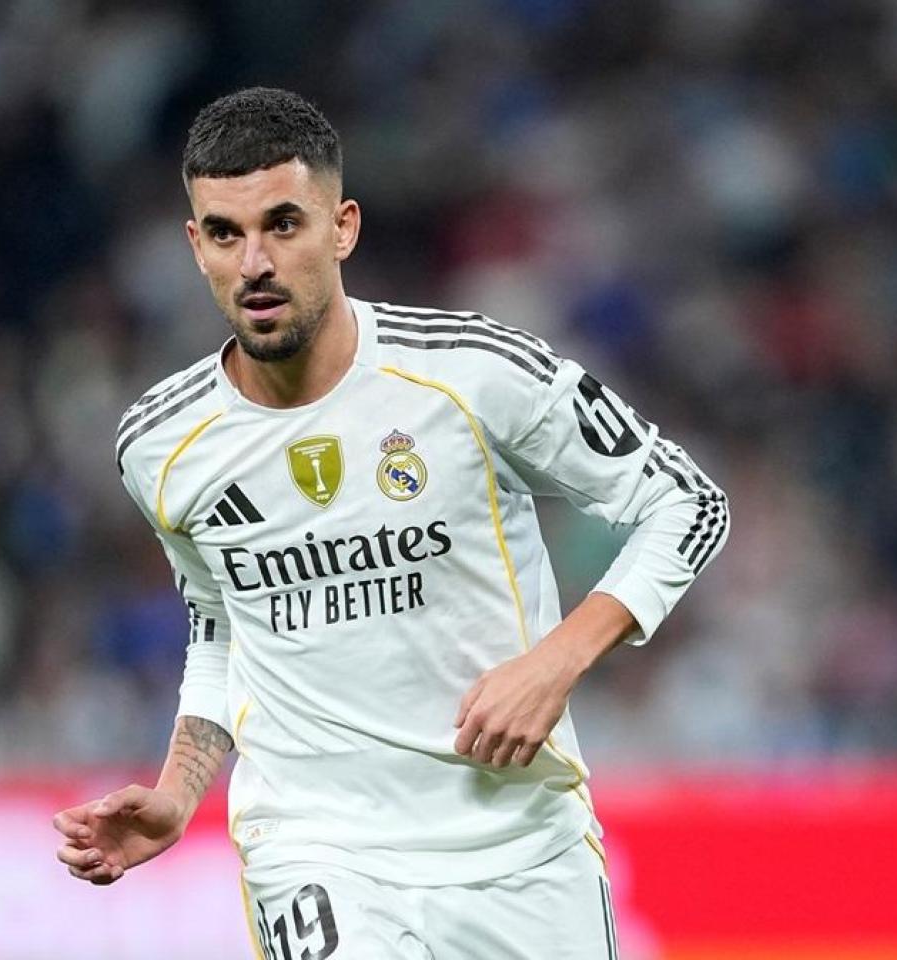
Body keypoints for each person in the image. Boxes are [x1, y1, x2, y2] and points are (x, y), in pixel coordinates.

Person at [54, 87, 727, 959]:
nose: (254, 263)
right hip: (316, 849)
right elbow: (221, 624)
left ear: (343, 228)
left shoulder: (472, 373)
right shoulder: (160, 443)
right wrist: (180, 791)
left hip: (522, 850)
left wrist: (558, 659)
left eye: (283, 225)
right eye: (224, 233)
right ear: (195, 245)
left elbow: (688, 501)